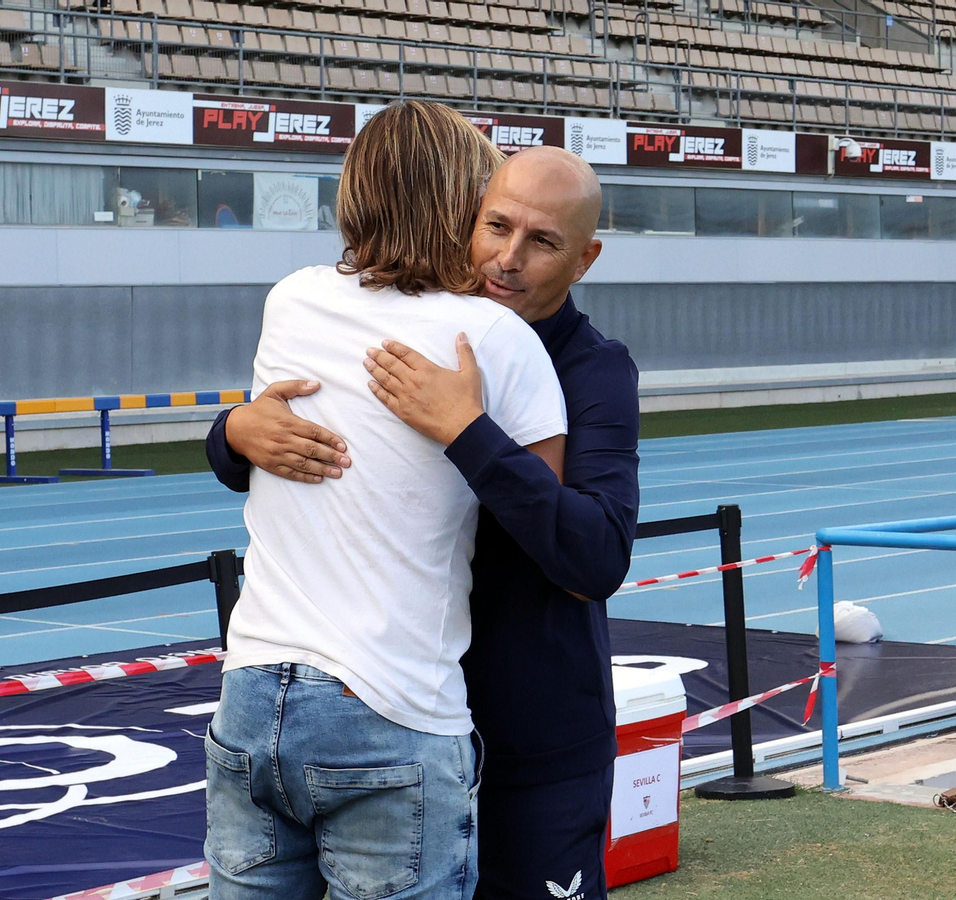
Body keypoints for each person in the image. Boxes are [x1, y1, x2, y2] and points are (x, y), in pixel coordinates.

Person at [209, 145, 640, 900]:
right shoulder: (395, 323)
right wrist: (232, 434)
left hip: (530, 739)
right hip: (393, 714)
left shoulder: (595, 369)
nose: (507, 258)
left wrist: (469, 432)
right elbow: (333, 460)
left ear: (585, 259)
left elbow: (597, 558)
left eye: (542, 241)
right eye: (495, 226)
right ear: (462, 219)